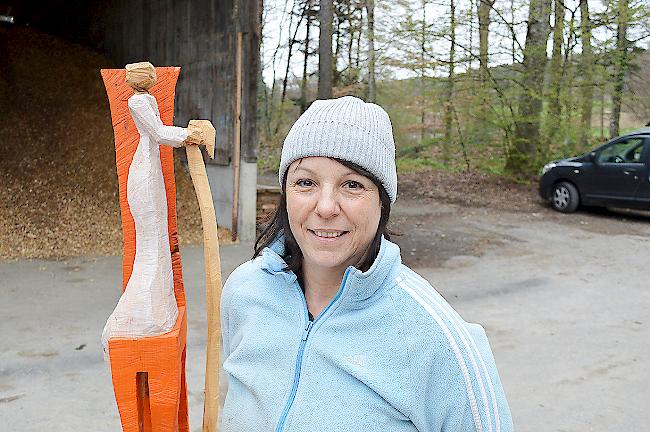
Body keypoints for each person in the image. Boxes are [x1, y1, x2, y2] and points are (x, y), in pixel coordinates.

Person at [218, 96, 513, 431]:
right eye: (306, 182)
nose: (326, 207)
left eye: (352, 184)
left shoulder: (436, 339)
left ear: (382, 203)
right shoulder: (245, 291)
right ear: (285, 194)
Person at [101, 62, 204, 358]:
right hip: (144, 172)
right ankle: (144, 307)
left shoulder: (146, 99)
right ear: (140, 78)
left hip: (150, 167)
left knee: (157, 236)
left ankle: (158, 303)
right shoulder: (138, 100)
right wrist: (189, 135)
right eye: (148, 74)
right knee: (151, 238)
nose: (153, 77)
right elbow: (158, 133)